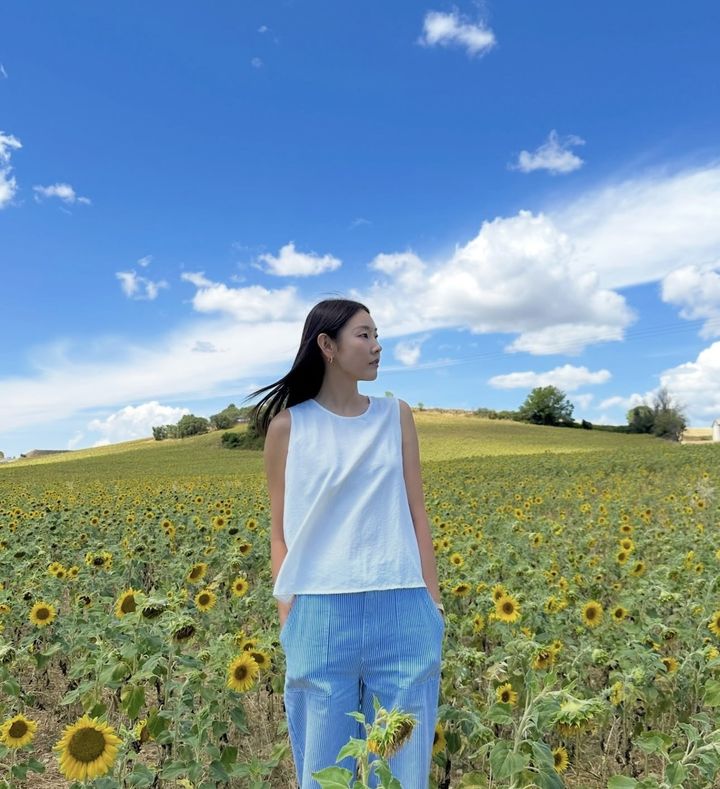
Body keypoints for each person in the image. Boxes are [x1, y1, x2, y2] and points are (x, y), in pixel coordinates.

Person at [246, 298, 445, 788]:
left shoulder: (395, 416)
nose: (377, 347)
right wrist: (289, 618)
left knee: (403, 775)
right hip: (319, 616)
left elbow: (417, 511)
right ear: (327, 346)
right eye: (364, 335)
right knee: (324, 774)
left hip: (403, 608)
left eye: (378, 335)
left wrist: (433, 604)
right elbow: (280, 532)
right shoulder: (288, 428)